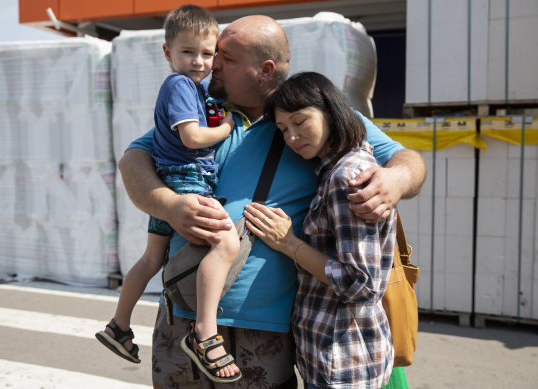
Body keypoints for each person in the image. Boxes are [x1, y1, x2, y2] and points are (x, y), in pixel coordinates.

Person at [118, 14, 427, 389]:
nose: (212, 63)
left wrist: (395, 179)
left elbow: (408, 159)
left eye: (226, 58)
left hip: (266, 328)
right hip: (182, 314)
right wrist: (169, 206)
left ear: (264, 69)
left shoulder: (315, 118)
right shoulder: (205, 114)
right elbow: (133, 159)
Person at [96, 5, 241, 381]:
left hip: (171, 178)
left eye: (207, 54)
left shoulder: (195, 88)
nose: (198, 62)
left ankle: (119, 325)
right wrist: (226, 126)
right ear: (167, 53)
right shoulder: (178, 85)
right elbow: (192, 137)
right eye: (188, 52)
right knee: (226, 243)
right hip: (187, 178)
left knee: (150, 259)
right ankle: (205, 334)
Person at [243, 71, 395, 388]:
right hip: (333, 354)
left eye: (300, 122)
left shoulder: (346, 176)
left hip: (344, 360)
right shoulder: (332, 170)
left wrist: (289, 244)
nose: (292, 137)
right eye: (284, 129)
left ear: (330, 111)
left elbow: (360, 284)